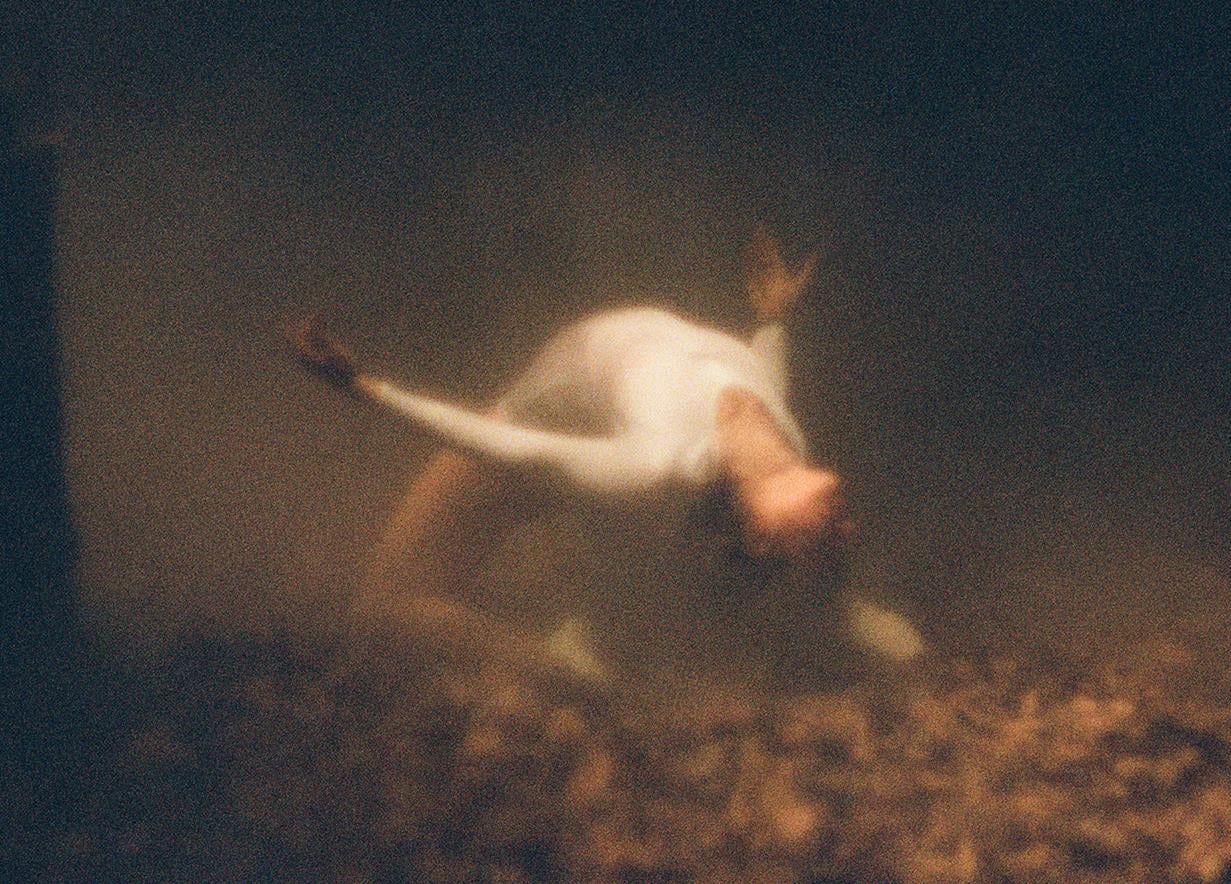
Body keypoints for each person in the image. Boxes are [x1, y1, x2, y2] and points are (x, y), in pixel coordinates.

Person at [286, 231, 924, 688]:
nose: (848, 521)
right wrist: (773, 319)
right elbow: (767, 377)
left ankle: (569, 670)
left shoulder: (651, 465)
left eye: (825, 540)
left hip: (537, 423)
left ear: (760, 533)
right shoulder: (782, 443)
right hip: (586, 434)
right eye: (846, 532)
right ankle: (821, 621)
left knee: (388, 601)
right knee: (401, 603)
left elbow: (506, 447)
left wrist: (368, 388)